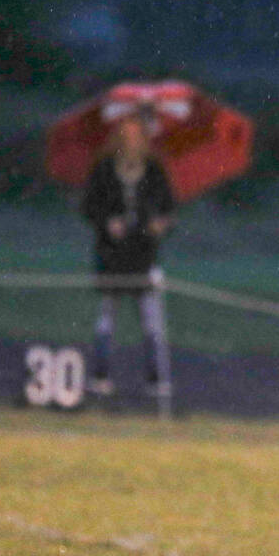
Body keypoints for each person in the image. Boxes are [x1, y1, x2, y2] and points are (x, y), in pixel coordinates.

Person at [80, 109, 177, 399]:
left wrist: (162, 224)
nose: (132, 140)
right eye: (127, 134)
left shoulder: (155, 172)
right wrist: (107, 222)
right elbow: (89, 206)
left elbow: (169, 209)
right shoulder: (104, 170)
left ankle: (157, 380)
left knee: (151, 321)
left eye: (137, 135)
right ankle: (100, 375)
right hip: (112, 255)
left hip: (143, 255)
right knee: (107, 318)